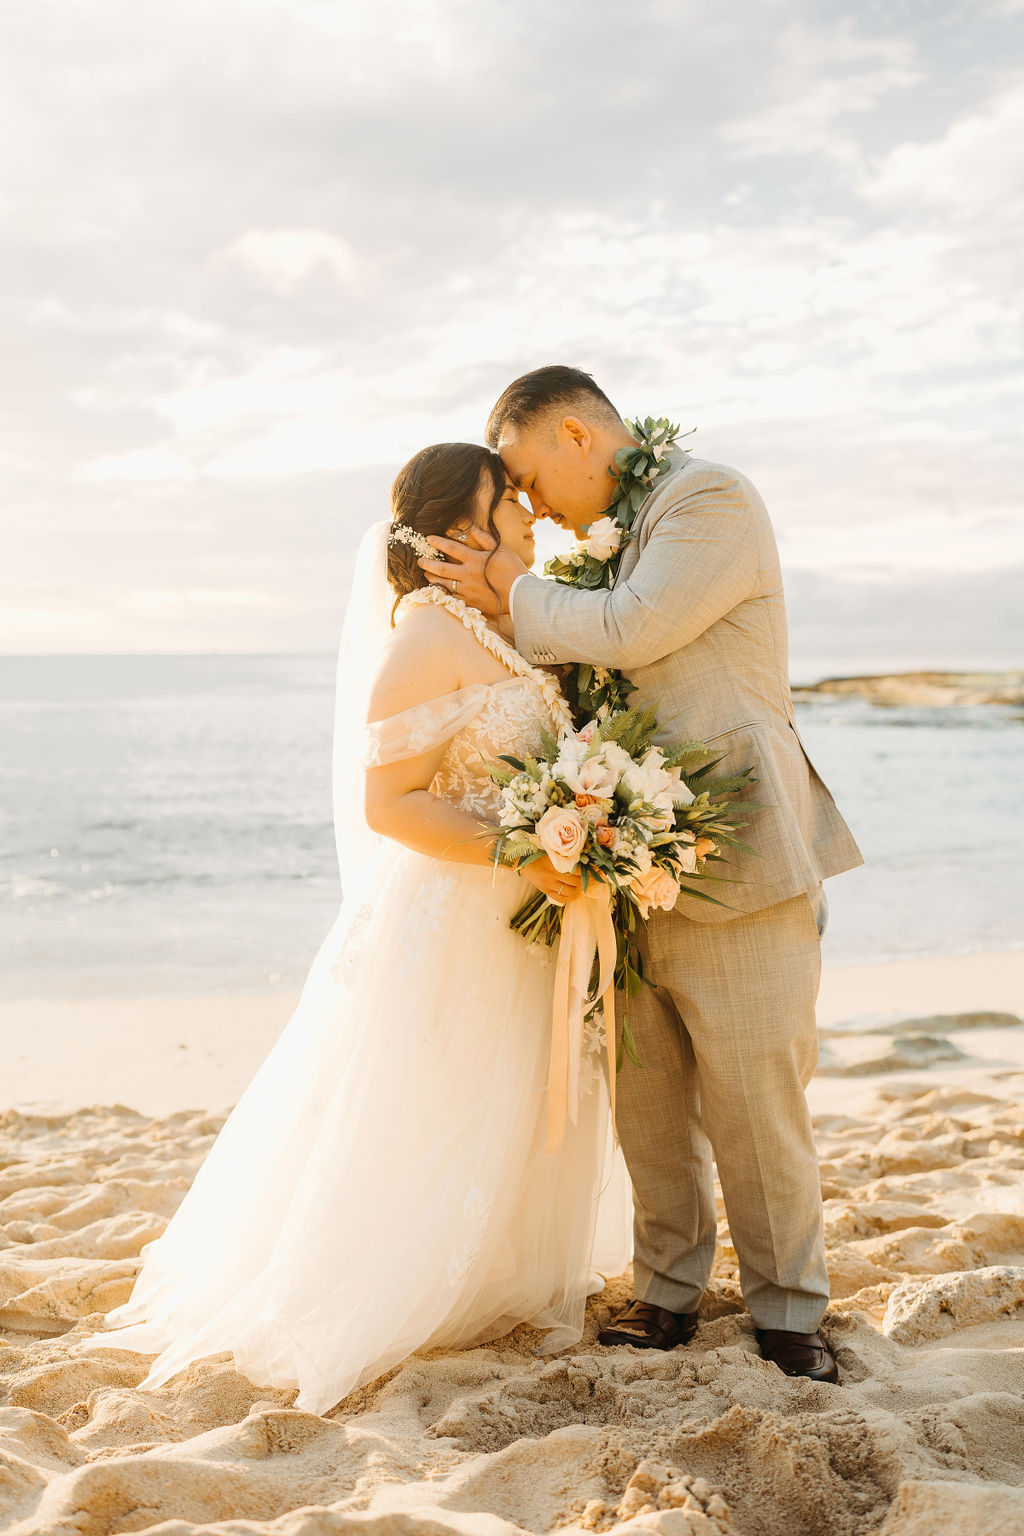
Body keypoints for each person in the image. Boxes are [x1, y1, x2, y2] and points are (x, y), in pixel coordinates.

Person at [69, 441, 630, 1415]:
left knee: (502, 1094)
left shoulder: (494, 624)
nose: (531, 516)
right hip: (459, 910)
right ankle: (403, 1282)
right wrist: (523, 851)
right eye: (510, 503)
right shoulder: (422, 638)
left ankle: (491, 1271)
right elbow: (390, 805)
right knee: (442, 1092)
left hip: (515, 910)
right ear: (463, 527)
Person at [416, 366, 864, 1384]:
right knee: (646, 1092)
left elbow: (634, 630)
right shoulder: (594, 555)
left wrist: (507, 587)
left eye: (529, 477)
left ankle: (787, 1309)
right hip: (619, 858)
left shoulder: (708, 499)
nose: (528, 505)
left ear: (577, 434)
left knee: (757, 1097)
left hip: (743, 849)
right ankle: (665, 1289)